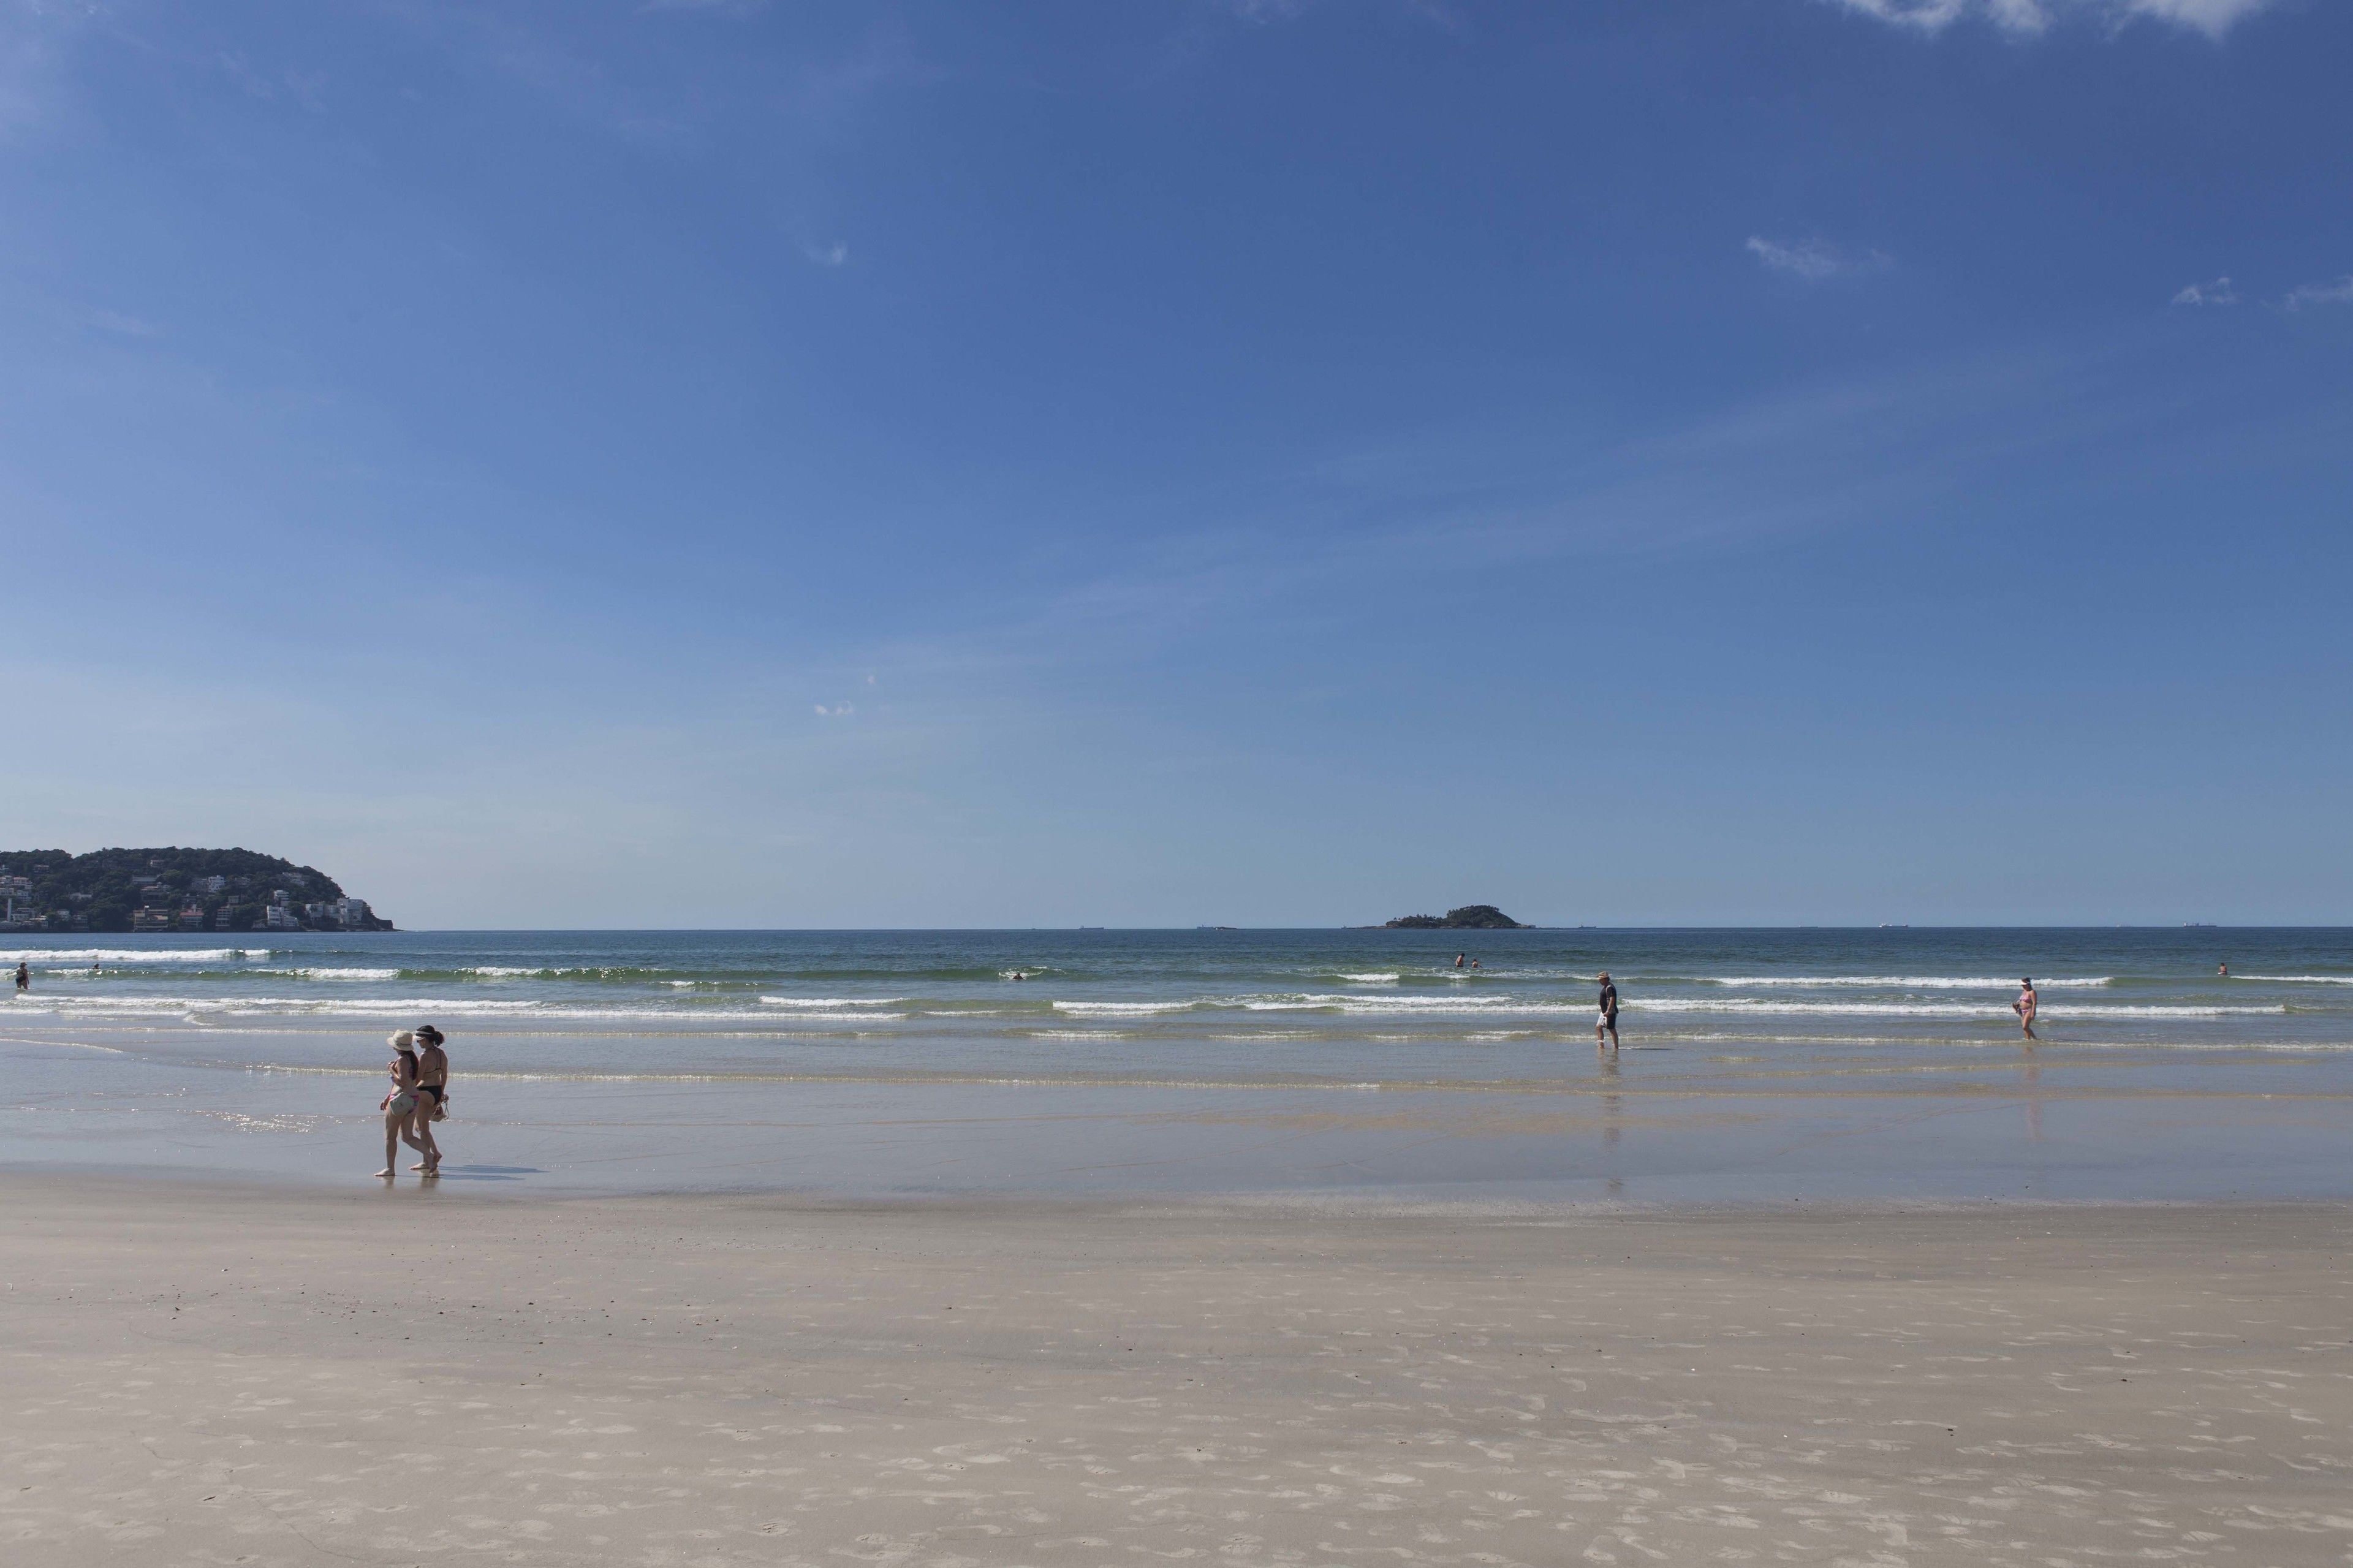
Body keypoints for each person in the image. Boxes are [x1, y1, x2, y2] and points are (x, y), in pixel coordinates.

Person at [376, 1031, 429, 1179]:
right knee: (408, 1136)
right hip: (413, 1099)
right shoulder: (413, 1060)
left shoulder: (401, 1060)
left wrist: (391, 1070)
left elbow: (402, 1082)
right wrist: (387, 1097)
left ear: (397, 1046)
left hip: (401, 1100)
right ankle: (430, 1156)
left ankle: (390, 1168)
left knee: (390, 1137)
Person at [410, 1025, 449, 1174]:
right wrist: (442, 1093)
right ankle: (436, 1153)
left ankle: (427, 1161)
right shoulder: (441, 1053)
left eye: (419, 1041)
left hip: (425, 1092)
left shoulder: (425, 1056)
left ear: (425, 1040)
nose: (418, 1043)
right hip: (437, 1091)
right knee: (420, 1128)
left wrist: (407, 1089)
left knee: (423, 1130)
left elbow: (418, 1079)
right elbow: (444, 1075)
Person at [1596, 971, 1620, 1051]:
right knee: (1599, 1027)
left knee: (1611, 1029)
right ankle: (1601, 1046)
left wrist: (1608, 1011)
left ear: (1606, 979)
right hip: (1604, 1012)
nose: (1599, 981)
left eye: (1601, 979)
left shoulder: (1610, 987)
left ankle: (1616, 1048)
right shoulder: (1606, 986)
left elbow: (1612, 999)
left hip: (1610, 1012)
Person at [2013, 977, 2039, 1041]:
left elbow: (2035, 1003)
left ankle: (2035, 1039)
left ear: (2028, 984)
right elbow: (2021, 1000)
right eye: (2022, 985)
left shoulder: (2032, 992)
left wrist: (2033, 1013)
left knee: (2025, 1027)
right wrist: (2016, 1004)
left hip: (2029, 1010)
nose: (2023, 986)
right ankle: (2028, 1041)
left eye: (2024, 985)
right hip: (2022, 1011)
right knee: (2025, 1028)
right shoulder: (2024, 991)